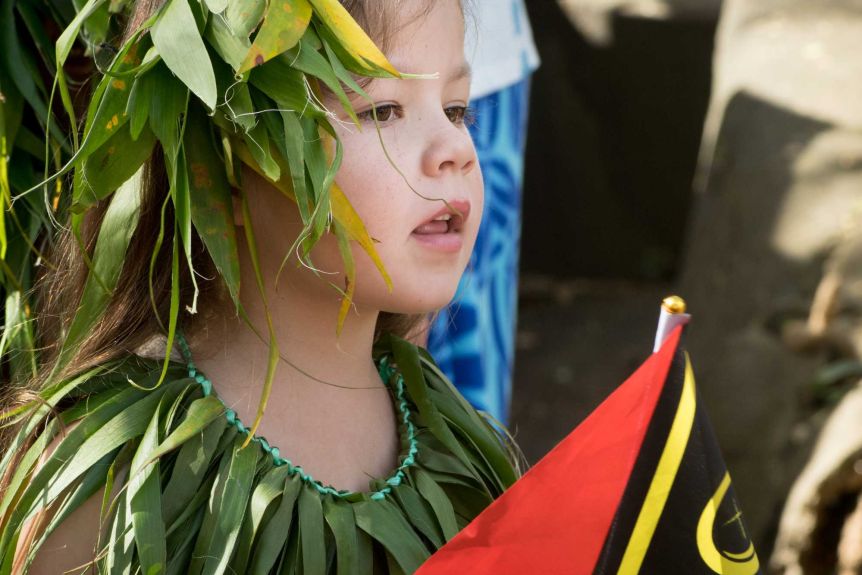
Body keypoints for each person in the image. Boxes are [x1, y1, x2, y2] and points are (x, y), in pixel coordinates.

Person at [1, 0, 521, 572]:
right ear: (221, 164)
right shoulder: (120, 478)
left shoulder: (462, 452)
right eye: (382, 111)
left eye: (456, 109)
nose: (453, 151)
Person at [427, 0, 539, 424]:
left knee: (473, 379)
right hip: (325, 60)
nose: (451, 152)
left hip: (484, 64)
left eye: (456, 117)